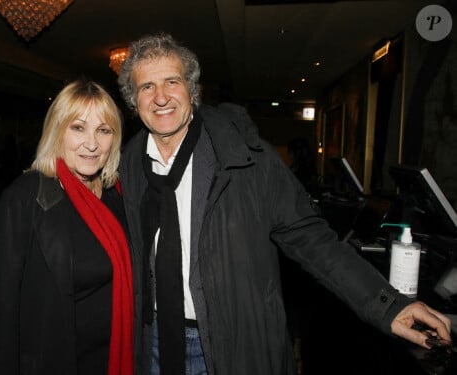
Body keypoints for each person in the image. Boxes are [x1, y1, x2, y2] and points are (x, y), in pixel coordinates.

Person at [116, 33, 452, 374]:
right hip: (151, 341)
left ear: (191, 90)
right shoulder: (126, 168)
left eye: (171, 81)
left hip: (230, 344)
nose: (160, 97)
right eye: (146, 87)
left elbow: (313, 240)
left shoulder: (247, 160)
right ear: (134, 101)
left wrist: (389, 306)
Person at [0, 80, 134, 375]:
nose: (92, 143)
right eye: (78, 127)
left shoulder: (117, 195)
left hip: (114, 357)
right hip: (54, 360)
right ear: (56, 130)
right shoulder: (25, 197)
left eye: (104, 130)